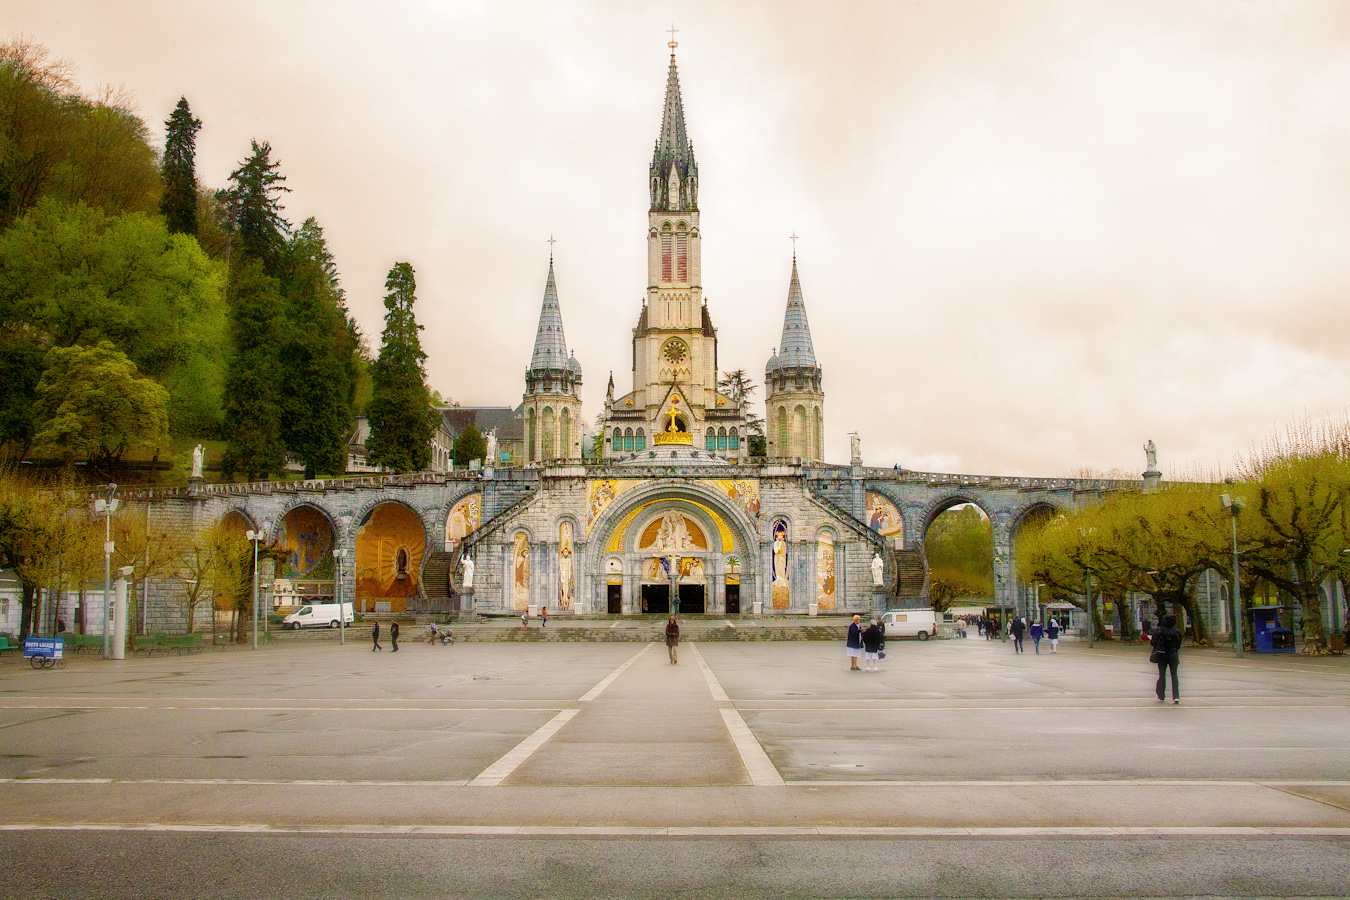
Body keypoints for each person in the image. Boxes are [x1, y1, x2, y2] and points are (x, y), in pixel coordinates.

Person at [1151, 613, 1183, 704]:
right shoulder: (1176, 632)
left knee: (1162, 675)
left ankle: (1161, 694)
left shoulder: (1158, 631)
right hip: (1173, 655)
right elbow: (1178, 644)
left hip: (1161, 655)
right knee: (1174, 675)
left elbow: (1153, 642)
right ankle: (1176, 696)